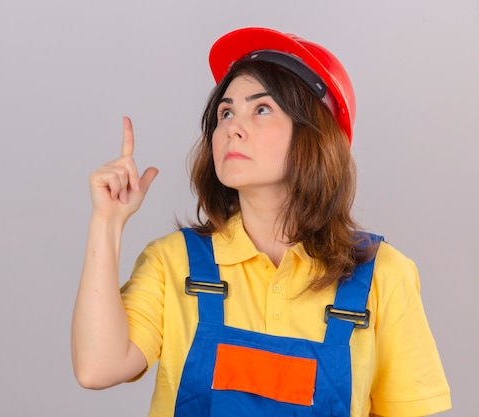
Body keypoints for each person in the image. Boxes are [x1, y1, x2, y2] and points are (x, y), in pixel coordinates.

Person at [71, 27, 452, 417]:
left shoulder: (382, 276)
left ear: (315, 136)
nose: (232, 127)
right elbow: (98, 368)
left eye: (262, 109)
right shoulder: (173, 263)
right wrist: (107, 222)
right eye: (225, 112)